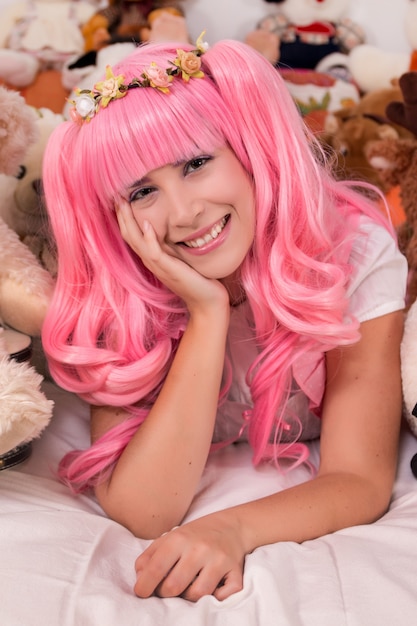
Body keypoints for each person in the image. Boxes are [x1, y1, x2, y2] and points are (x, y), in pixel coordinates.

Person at [41, 34, 407, 603]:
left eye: (196, 163)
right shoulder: (123, 292)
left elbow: (359, 479)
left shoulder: (352, 257)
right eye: (142, 191)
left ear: (249, 149)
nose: (184, 213)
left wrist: (230, 528)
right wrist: (206, 312)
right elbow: (143, 508)